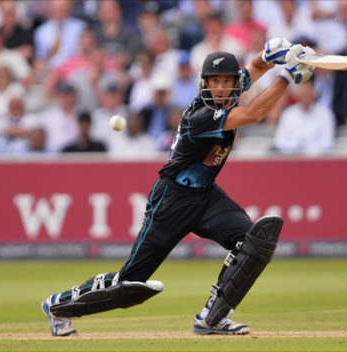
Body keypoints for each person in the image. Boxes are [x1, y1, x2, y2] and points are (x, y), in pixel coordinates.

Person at [41, 38, 315, 337]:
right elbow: (253, 114)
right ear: (204, 85)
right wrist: (287, 76)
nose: (221, 88)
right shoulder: (200, 116)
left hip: (206, 197)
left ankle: (213, 318)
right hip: (171, 200)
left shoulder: (230, 92)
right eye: (215, 82)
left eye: (227, 82)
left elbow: (253, 68)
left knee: (254, 243)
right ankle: (58, 306)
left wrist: (269, 54)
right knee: (130, 283)